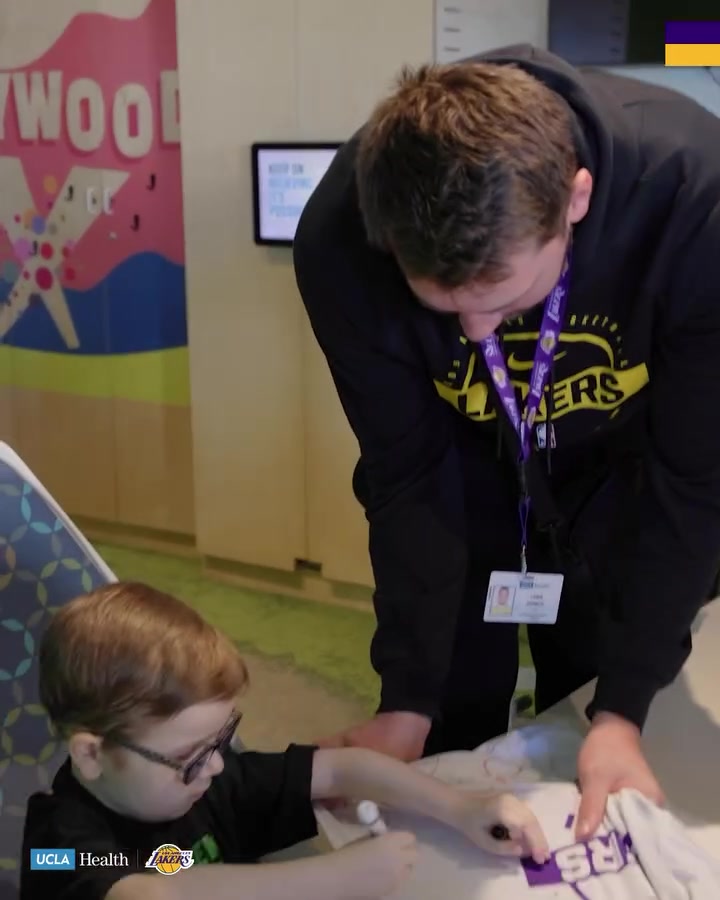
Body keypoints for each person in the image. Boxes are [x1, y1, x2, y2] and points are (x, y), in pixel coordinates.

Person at [293, 44, 720, 841]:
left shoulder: (697, 201)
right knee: (450, 708)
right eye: (443, 306)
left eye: (504, 296)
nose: (476, 331)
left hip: (623, 460)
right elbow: (405, 474)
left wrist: (622, 709)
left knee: (595, 692)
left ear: (576, 198)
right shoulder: (336, 241)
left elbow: (692, 478)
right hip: (466, 464)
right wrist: (409, 699)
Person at [20, 582, 549, 900]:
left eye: (220, 740)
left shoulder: (209, 783)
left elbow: (340, 768)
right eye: (189, 758)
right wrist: (335, 878)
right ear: (92, 754)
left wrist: (460, 807)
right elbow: (150, 891)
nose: (215, 767)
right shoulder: (57, 848)